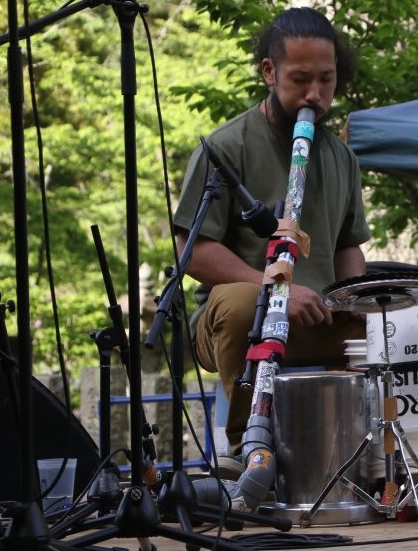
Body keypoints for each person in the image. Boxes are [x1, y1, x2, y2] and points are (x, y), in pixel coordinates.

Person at [172, 7, 370, 476]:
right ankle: (249, 454)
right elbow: (191, 249)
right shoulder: (225, 146)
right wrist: (275, 288)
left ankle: (365, 459)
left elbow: (348, 245)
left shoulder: (341, 157)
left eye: (326, 80)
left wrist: (356, 299)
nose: (315, 95)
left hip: (317, 318)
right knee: (243, 304)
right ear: (269, 71)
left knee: (404, 328)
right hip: (238, 321)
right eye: (301, 79)